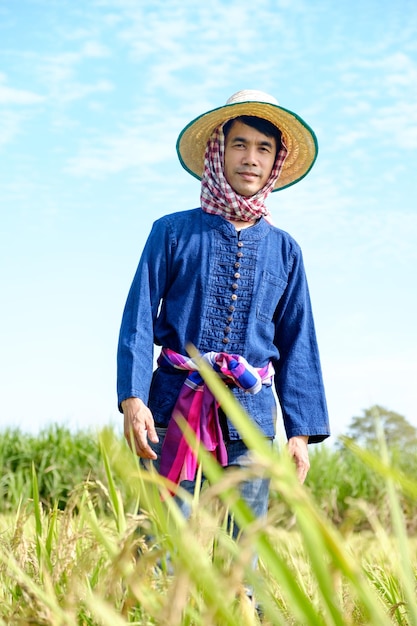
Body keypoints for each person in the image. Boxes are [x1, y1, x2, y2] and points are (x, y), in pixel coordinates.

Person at [117, 89, 330, 533]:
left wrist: (300, 434)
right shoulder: (171, 232)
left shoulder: (285, 250)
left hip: (251, 421)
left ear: (275, 162)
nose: (251, 158)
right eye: (240, 144)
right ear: (219, 151)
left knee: (243, 557)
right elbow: (137, 316)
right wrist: (133, 398)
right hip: (172, 407)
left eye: (263, 149)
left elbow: (298, 343)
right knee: (162, 542)